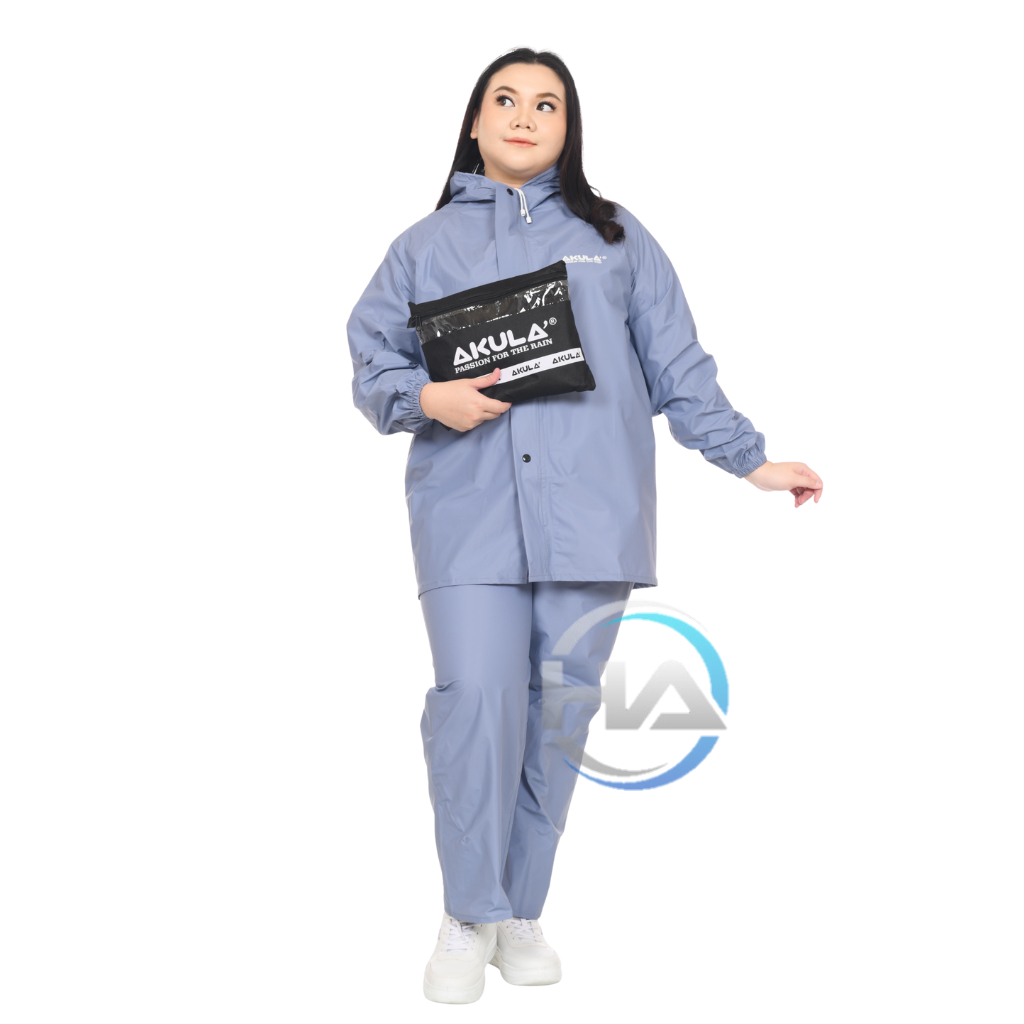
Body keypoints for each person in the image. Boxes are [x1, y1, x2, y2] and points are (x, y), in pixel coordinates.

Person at [347, 47, 823, 1005]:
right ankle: (467, 911)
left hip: (593, 517)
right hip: (467, 514)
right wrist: (428, 397)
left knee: (557, 717)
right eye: (505, 99)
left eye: (547, 104)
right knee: (475, 702)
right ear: (475, 122)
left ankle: (519, 911)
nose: (524, 116)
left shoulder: (617, 238)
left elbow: (678, 364)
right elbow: (372, 362)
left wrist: (750, 460)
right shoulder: (421, 247)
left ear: (569, 129)